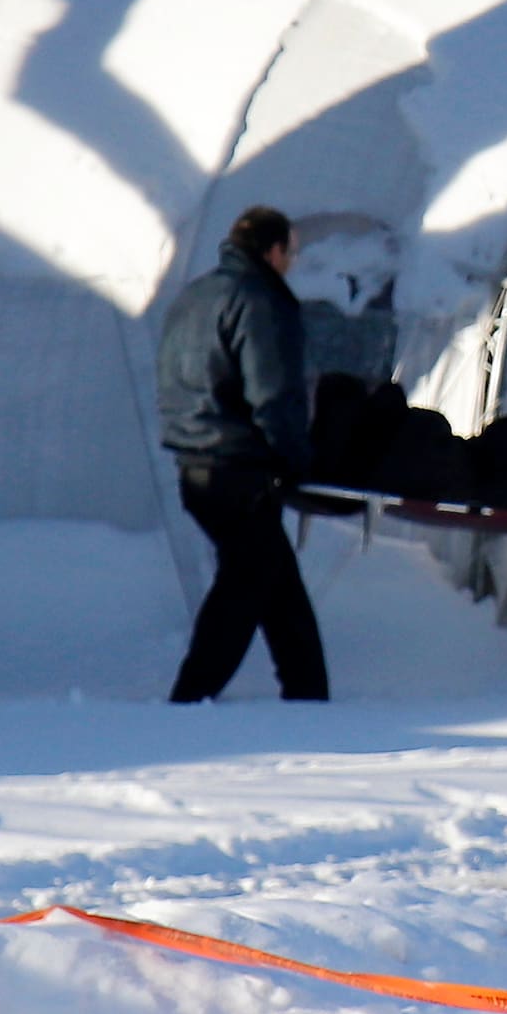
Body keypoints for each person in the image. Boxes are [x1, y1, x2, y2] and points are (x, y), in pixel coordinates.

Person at [157, 205, 328, 703]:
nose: (292, 262)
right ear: (273, 251)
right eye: (291, 252)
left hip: (194, 462)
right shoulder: (261, 300)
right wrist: (295, 458)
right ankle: (191, 697)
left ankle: (309, 695)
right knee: (245, 584)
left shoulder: (196, 294)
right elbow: (273, 392)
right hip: (238, 467)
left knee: (274, 584)